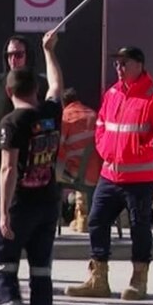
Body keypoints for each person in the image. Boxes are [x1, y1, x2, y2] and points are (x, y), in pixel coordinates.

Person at [65, 46, 153, 301]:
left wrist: (136, 150)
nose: (119, 69)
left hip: (140, 178)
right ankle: (98, 278)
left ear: (139, 65)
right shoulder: (111, 94)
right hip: (110, 174)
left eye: (124, 64)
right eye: (117, 65)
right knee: (97, 220)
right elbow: (101, 127)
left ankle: (138, 279)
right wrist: (105, 149)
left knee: (139, 227)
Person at [0, 30, 64, 305]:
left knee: (3, 267)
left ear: (9, 90)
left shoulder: (12, 121)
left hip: (20, 205)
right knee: (41, 273)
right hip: (48, 203)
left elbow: (7, 168)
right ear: (36, 89)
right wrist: (50, 52)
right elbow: (58, 87)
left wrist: (3, 212)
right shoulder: (49, 114)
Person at [0, 36, 47, 220]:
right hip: (0, 160)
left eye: (18, 54)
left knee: (29, 215)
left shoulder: (40, 84)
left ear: (28, 56)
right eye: (9, 55)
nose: (13, 59)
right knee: (0, 210)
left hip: (33, 162)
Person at [55, 87, 101, 233]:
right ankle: (81, 217)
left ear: (63, 104)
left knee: (53, 173)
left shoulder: (66, 117)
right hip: (101, 174)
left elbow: (58, 150)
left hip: (80, 175)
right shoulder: (94, 114)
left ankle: (57, 219)